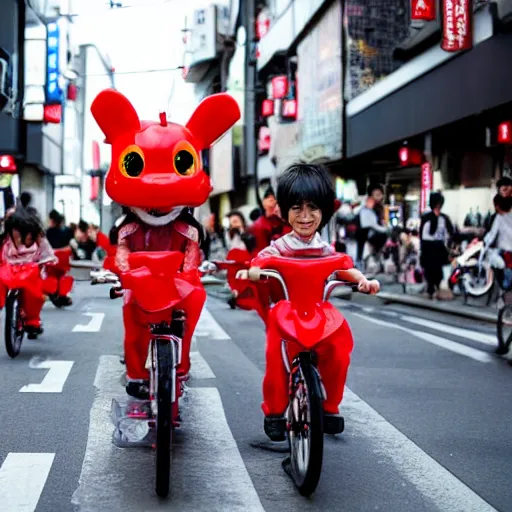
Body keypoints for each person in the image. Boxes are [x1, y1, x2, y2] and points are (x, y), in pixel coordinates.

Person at [240, 164, 380, 441]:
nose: (305, 217)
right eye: (297, 208)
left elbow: (343, 267)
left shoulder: (325, 249)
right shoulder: (279, 247)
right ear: (284, 211)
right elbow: (259, 263)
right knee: (274, 356)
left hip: (319, 311)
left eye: (313, 208)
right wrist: (251, 271)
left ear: (324, 210)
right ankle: (275, 411)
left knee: (340, 348)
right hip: (287, 311)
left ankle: (329, 406)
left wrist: (363, 280)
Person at [2, 208, 57, 338]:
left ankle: (32, 321)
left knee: (33, 290)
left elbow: (46, 252)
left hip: (30, 267)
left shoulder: (36, 235)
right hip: (9, 267)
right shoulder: (6, 236)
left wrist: (47, 261)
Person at [419, 192, 455, 299]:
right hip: (430, 246)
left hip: (436, 246)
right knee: (431, 270)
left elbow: (449, 234)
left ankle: (436, 289)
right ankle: (431, 289)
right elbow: (423, 235)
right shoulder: (428, 218)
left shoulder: (443, 218)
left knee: (437, 270)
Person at [355, 183, 388, 267]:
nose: (378, 197)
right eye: (376, 195)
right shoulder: (366, 206)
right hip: (365, 231)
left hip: (374, 232)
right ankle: (360, 261)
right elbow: (370, 223)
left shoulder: (380, 207)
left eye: (380, 195)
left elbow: (380, 221)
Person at [251, 187, 291, 254]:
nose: (272, 200)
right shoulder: (259, 225)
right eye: (268, 197)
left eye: (274, 198)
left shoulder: (285, 221)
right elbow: (260, 249)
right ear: (263, 202)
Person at [484, 194, 512, 290]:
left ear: (497, 206)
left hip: (505, 254)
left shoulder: (499, 218)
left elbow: (491, 236)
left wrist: (485, 244)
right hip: (507, 254)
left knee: (505, 284)